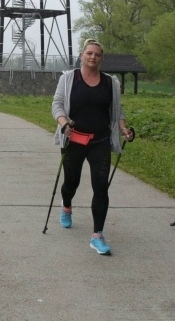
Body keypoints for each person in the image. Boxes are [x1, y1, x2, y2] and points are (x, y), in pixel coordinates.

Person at [51, 38, 132, 255]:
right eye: (89, 53)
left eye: (97, 54)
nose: (93, 57)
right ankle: (66, 204)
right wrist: (63, 123)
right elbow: (57, 104)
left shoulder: (110, 83)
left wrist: (123, 128)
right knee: (72, 182)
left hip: (100, 141)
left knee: (101, 187)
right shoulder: (69, 79)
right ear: (81, 55)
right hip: (74, 139)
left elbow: (117, 112)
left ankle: (97, 235)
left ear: (101, 58)